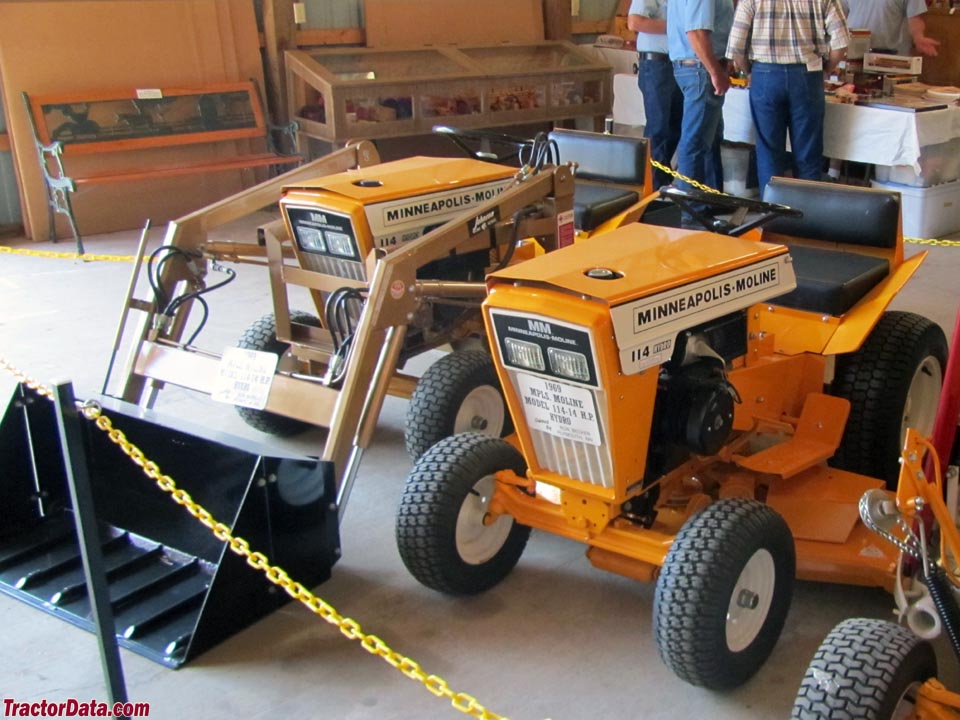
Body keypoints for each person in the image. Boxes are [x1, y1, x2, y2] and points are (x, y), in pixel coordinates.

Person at [726, 0, 850, 195]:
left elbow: (736, 45)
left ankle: (771, 218)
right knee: (808, 152)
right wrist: (827, 69)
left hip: (765, 72)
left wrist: (749, 71)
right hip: (808, 74)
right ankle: (807, 218)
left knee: (768, 152)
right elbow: (841, 42)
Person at [667, 0, 734, 221]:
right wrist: (715, 70)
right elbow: (695, 32)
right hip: (700, 68)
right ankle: (691, 214)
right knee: (695, 142)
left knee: (707, 138)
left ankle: (704, 203)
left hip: (694, 66)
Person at [627, 0, 684, 190]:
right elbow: (634, 22)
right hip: (656, 65)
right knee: (658, 128)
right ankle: (653, 189)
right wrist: (676, 27)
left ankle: (661, 182)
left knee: (675, 126)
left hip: (676, 63)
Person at [842, 0, 940, 57]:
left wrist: (918, 37)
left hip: (892, 61)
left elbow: (915, 17)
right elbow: (840, 15)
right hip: (853, 58)